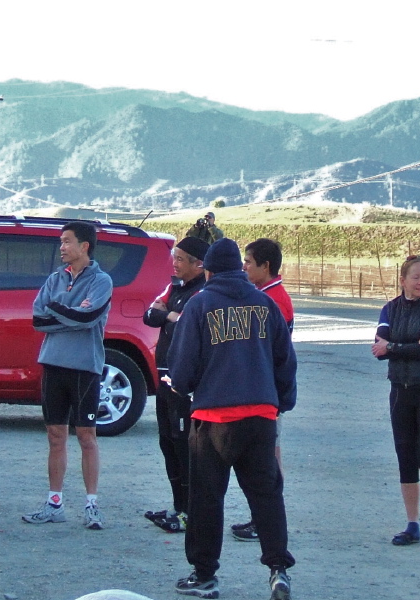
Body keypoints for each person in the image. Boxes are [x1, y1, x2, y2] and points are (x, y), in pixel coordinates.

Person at [167, 238, 297, 600]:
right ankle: (278, 569)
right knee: (266, 496)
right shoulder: (265, 304)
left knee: (207, 499)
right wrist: (282, 401)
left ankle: (205, 575)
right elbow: (285, 361)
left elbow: (182, 368)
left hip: (214, 418)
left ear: (208, 269)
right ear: (239, 269)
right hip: (260, 415)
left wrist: (182, 388)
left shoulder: (200, 305)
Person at [23, 221, 115, 530]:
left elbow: (88, 317)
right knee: (55, 436)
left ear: (84, 246)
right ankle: (54, 503)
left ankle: (91, 505)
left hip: (85, 368)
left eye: (66, 241)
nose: (61, 247)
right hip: (53, 364)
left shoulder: (102, 281)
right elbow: (38, 319)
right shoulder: (54, 279)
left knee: (86, 436)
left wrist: (58, 309)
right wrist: (71, 312)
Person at [371, 255, 420, 549]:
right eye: (416, 277)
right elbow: (379, 348)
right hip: (400, 390)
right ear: (402, 280)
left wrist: (394, 346)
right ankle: (412, 524)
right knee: (405, 457)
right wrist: (410, 345)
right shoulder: (389, 308)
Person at [141, 236, 209, 534]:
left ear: (199, 264)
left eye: (181, 259)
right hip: (163, 377)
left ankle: (190, 512)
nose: (175, 263)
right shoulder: (175, 287)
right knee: (167, 442)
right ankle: (177, 506)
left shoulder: (202, 292)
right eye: (175, 257)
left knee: (184, 446)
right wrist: (168, 314)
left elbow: (187, 323)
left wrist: (167, 314)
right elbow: (149, 315)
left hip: (183, 382)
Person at [229, 237, 295, 542]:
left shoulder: (274, 300)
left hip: (266, 390)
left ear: (265, 266)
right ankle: (262, 517)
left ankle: (266, 518)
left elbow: (270, 349)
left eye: (248, 262)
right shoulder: (265, 295)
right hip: (264, 388)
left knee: (269, 456)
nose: (243, 267)